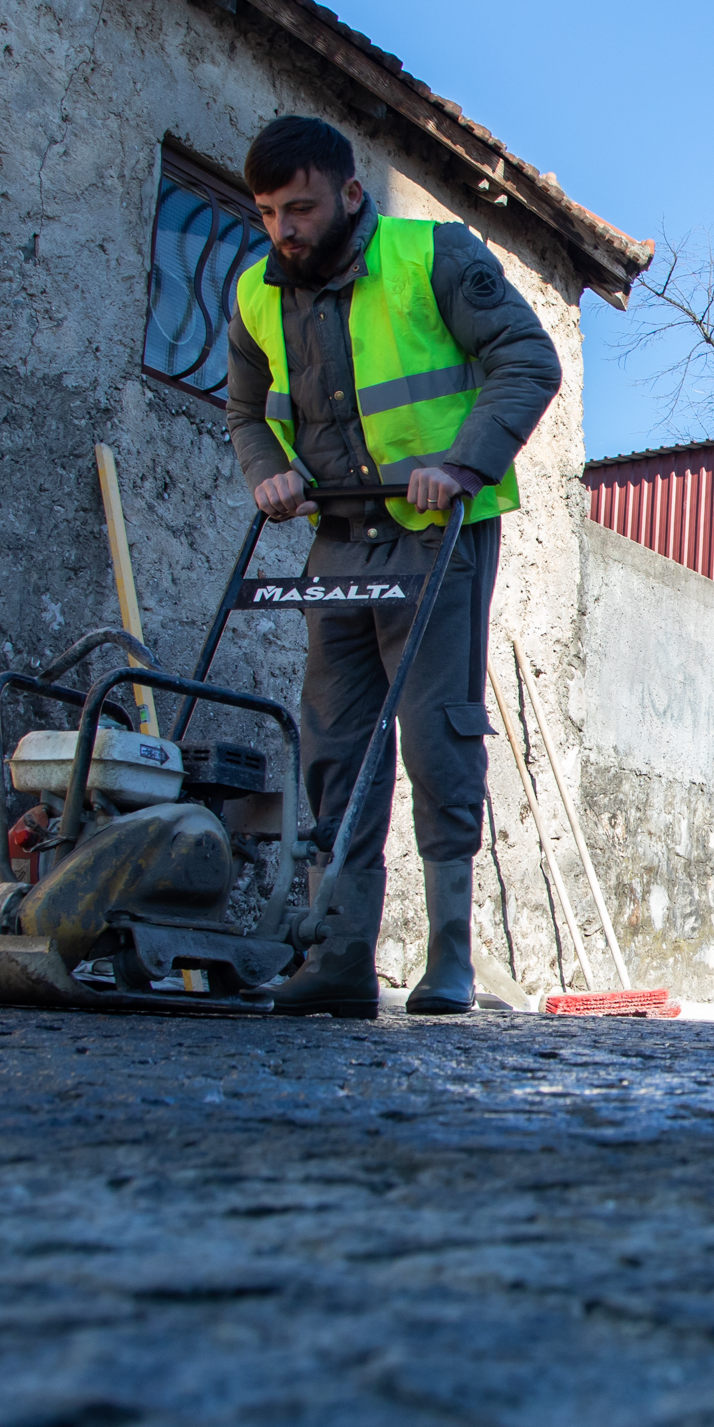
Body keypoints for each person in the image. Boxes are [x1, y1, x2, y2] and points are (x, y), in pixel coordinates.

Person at [224, 115, 561, 1018]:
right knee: (334, 744)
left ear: (349, 195)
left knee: (437, 734)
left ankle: (448, 958)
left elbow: (527, 361)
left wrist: (460, 463)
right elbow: (245, 411)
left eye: (298, 208)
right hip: (335, 534)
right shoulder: (257, 292)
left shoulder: (433, 258)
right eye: (266, 213)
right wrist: (269, 476)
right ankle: (336, 959)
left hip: (437, 526)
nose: (282, 230)